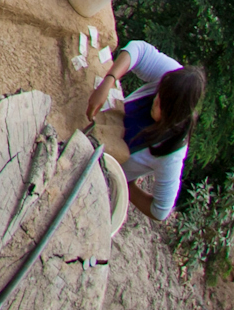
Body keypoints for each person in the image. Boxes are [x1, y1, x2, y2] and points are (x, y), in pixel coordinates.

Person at [88, 41, 207, 222]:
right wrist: (109, 81)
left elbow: (160, 211)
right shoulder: (172, 78)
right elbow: (138, 50)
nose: (156, 100)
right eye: (158, 93)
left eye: (161, 104)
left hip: (94, 178)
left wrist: (125, 184)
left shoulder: (171, 153)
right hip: (95, 134)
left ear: (172, 115)